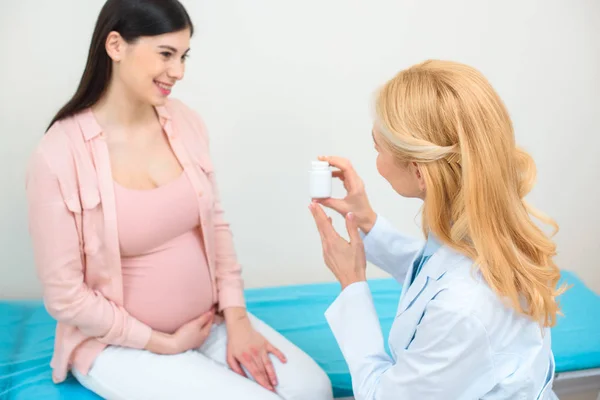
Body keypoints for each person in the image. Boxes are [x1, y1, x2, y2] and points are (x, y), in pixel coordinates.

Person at [25, 0, 333, 399]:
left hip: (210, 323)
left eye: (183, 56)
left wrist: (237, 318)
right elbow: (65, 296)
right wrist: (161, 342)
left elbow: (215, 225)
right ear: (116, 46)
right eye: (166, 54)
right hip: (121, 344)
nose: (179, 72)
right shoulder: (58, 154)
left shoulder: (184, 121)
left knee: (314, 390)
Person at [309, 59, 563, 399]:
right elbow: (436, 273)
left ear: (418, 172)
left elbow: (381, 395)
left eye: (377, 148)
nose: (377, 163)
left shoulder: (464, 309)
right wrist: (367, 221)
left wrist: (352, 283)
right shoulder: (487, 230)